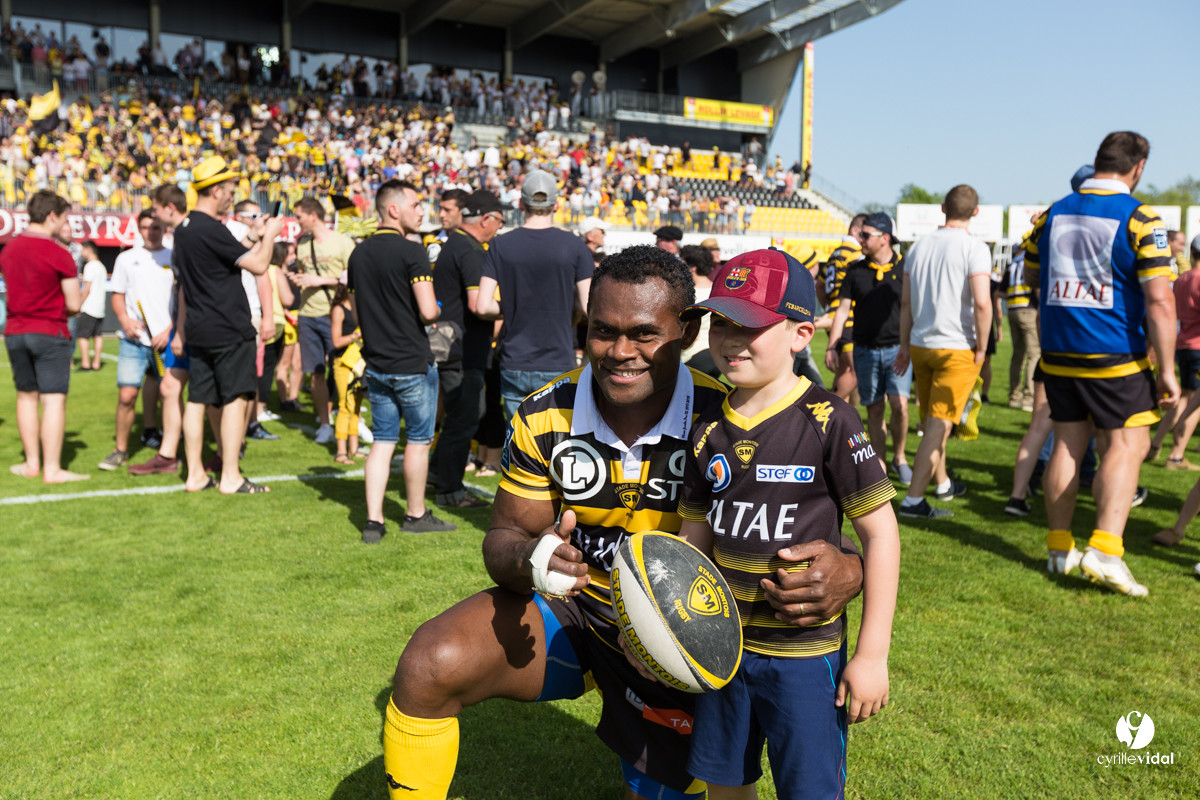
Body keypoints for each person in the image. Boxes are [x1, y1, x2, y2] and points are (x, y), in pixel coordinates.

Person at [384, 245, 866, 800]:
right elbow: (504, 537)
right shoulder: (545, 411)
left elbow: (802, 523)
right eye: (603, 331)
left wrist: (850, 569)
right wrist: (531, 557)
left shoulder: (726, 417)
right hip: (576, 609)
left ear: (687, 333)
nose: (619, 352)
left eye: (644, 334)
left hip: (677, 632)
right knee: (429, 664)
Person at [677, 247, 899, 800]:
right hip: (722, 647)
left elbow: (881, 535)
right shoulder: (706, 426)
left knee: (809, 789)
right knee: (724, 780)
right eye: (721, 323)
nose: (730, 340)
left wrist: (872, 654)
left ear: (802, 334)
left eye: (749, 326)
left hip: (804, 654)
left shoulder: (830, 420)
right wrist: (678, 619)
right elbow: (694, 537)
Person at [1023, 133, 1178, 596]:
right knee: (1128, 445)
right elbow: (1160, 301)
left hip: (1058, 351)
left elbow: (1031, 275)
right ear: (1139, 167)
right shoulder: (1141, 218)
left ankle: (1059, 548)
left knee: (1068, 444)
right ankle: (1106, 550)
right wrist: (1168, 370)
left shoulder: (1051, 213)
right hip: (1113, 353)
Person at [348, 180, 454, 542]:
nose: (421, 211)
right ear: (393, 209)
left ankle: (373, 521)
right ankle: (415, 513)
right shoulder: (412, 251)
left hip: (376, 363)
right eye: (415, 204)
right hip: (411, 362)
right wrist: (436, 306)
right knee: (418, 441)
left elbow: (357, 313)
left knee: (382, 441)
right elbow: (428, 312)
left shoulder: (358, 254)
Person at [173, 156, 283, 495]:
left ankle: (195, 474)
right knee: (236, 397)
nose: (231, 197)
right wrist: (270, 236)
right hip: (228, 326)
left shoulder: (185, 228)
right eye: (230, 191)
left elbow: (223, 260)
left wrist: (252, 236)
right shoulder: (211, 228)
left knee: (197, 399)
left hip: (200, 327)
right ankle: (231, 476)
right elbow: (260, 265)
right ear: (216, 190)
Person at [893, 185, 992, 519]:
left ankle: (943, 483)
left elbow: (905, 302)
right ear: (975, 212)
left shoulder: (919, 246)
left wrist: (904, 345)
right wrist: (983, 346)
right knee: (939, 425)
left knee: (936, 421)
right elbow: (982, 302)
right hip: (956, 346)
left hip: (921, 343)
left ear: (942, 208)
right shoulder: (975, 248)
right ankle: (913, 501)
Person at [476, 169, 592, 423]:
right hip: (558, 360)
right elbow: (588, 307)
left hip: (515, 360)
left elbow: (483, 306)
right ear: (556, 205)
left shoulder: (500, 244)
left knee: (519, 440)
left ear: (520, 203)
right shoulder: (575, 246)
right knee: (556, 439)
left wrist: (513, 305)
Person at [2, 190, 88, 483]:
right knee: (53, 401)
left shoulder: (8, 249)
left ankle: (31, 464)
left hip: (15, 332)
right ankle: (52, 469)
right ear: (52, 216)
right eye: (63, 218)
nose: (64, 224)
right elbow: (74, 305)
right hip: (50, 332)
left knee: (26, 397)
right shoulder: (59, 253)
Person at [430, 190, 506, 509]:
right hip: (462, 349)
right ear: (486, 219)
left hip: (455, 346)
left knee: (460, 416)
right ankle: (450, 490)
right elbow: (479, 305)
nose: (500, 227)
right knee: (465, 417)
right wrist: (516, 307)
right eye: (499, 220)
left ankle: (437, 475)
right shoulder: (470, 249)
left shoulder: (457, 244)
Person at [828, 213, 911, 483]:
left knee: (899, 406)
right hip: (864, 350)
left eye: (865, 235)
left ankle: (900, 457)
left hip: (897, 350)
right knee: (874, 409)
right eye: (860, 234)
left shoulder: (905, 268)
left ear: (885, 238)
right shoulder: (855, 270)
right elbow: (842, 311)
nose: (860, 239)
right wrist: (832, 345)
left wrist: (909, 345)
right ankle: (880, 465)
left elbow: (913, 308)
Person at [99, 211, 175, 471]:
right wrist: (124, 320)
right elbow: (117, 295)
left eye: (156, 228)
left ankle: (169, 448)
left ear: (164, 228)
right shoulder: (126, 258)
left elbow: (184, 298)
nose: (150, 232)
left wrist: (169, 330)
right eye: (145, 227)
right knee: (127, 395)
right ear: (138, 229)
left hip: (167, 340)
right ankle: (120, 450)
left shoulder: (174, 256)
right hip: (133, 341)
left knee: (170, 395)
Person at [289, 196, 357, 445]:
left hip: (334, 314)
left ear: (313, 215)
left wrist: (322, 281)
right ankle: (325, 423)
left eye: (299, 216)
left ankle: (350, 419)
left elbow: (354, 277)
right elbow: (305, 272)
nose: (297, 221)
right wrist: (300, 279)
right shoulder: (302, 243)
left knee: (344, 370)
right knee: (315, 372)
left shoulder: (342, 242)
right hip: (308, 313)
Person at [1150, 232, 1200, 469]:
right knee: (1194, 403)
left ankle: (1156, 444)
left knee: (1183, 398)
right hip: (1197, 346)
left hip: (1182, 344)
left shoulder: (1182, 278)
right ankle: (1176, 455)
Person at [821, 214, 866, 404]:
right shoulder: (855, 255)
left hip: (834, 316)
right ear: (854, 231)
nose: (865, 239)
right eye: (864, 234)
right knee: (859, 370)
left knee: (844, 370)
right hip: (848, 318)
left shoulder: (834, 254)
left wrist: (829, 306)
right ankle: (830, 408)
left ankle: (841, 416)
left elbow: (819, 285)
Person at [329, 281, 364, 464]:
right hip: (343, 363)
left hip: (359, 363)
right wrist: (355, 336)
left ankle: (354, 449)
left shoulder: (359, 308)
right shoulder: (339, 309)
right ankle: (341, 452)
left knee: (356, 407)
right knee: (345, 406)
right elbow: (336, 342)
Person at [1004, 231, 1039, 411]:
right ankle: (1028, 398)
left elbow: (1001, 290)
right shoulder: (1030, 258)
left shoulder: (1014, 261)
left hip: (1012, 309)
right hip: (1028, 308)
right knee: (1034, 354)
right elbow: (1036, 285)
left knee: (1018, 355)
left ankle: (1014, 396)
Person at [75, 240, 107, 372]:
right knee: (97, 336)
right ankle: (96, 363)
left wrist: (78, 306)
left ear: (88, 249)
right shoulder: (101, 266)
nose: (81, 253)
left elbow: (86, 289)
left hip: (89, 307)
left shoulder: (90, 266)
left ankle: (85, 364)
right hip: (100, 308)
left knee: (82, 336)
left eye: (83, 249)